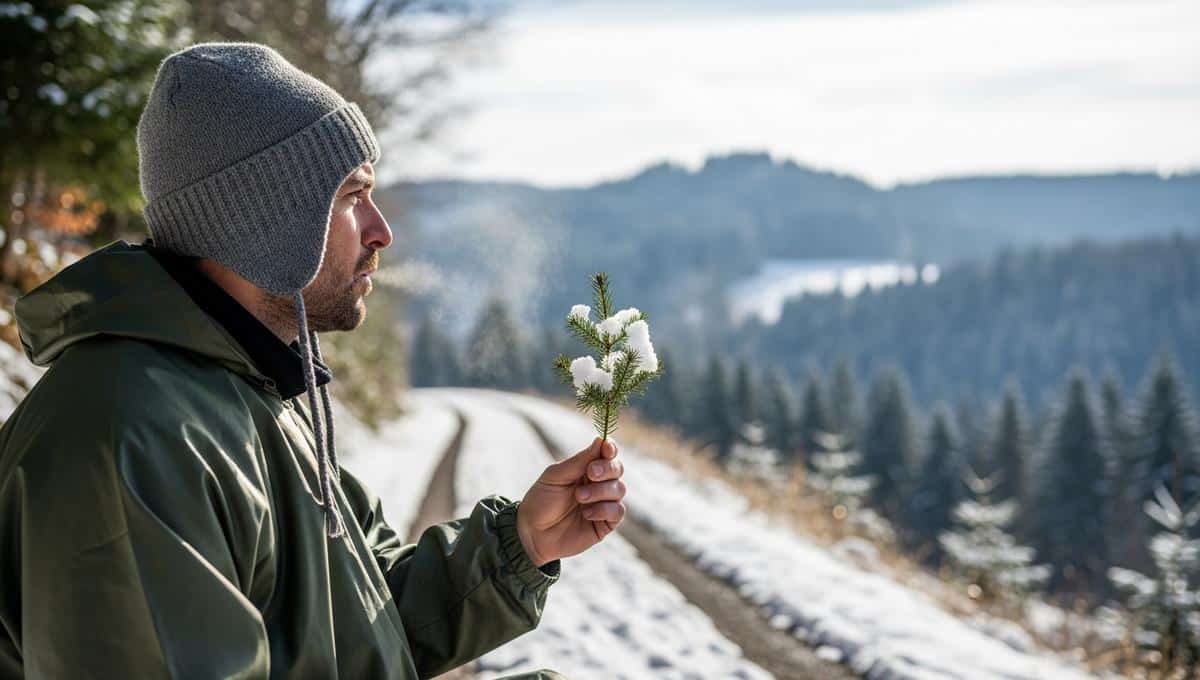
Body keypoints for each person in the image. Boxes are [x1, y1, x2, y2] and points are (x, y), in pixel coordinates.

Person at [0, 42, 628, 678]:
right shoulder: (133, 436)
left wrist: (520, 546)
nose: (382, 231)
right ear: (267, 218)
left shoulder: (242, 392)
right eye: (354, 196)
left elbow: (357, 630)